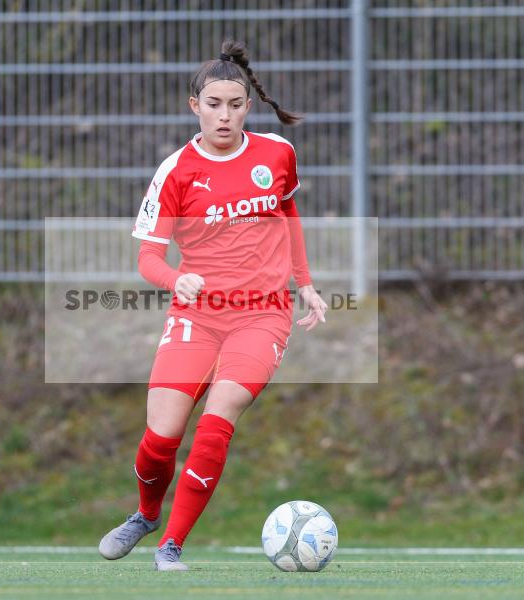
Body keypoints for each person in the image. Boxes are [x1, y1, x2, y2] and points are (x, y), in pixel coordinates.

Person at [98, 40, 327, 571]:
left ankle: (171, 544)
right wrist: (176, 279)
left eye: (235, 104)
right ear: (194, 106)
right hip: (197, 316)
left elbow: (288, 215)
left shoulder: (277, 155)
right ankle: (146, 513)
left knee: (217, 420)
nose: (224, 115)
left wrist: (305, 284)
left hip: (262, 313)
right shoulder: (175, 170)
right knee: (160, 437)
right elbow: (148, 258)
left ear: (248, 106)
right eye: (214, 104)